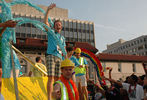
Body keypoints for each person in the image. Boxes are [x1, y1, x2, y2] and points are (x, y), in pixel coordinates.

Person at [44, 3, 67, 100]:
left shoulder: (62, 38)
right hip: (51, 56)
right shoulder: (51, 32)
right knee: (51, 77)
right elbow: (45, 23)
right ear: (54, 27)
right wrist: (48, 10)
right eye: (56, 24)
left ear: (61, 27)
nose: (58, 25)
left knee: (58, 80)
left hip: (59, 58)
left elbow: (64, 50)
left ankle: (55, 98)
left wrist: (66, 60)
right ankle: (49, 98)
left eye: (60, 24)